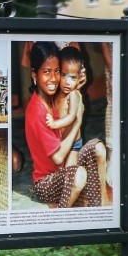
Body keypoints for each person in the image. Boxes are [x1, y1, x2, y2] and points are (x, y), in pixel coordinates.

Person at [25, 41, 107, 208]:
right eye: (47, 72)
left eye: (57, 72)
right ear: (34, 75)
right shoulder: (37, 111)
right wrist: (77, 121)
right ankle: (62, 215)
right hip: (47, 182)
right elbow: (58, 158)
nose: (54, 79)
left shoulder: (53, 95)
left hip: (63, 170)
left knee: (98, 147)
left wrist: (76, 83)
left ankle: (102, 204)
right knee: (79, 175)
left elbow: (70, 92)